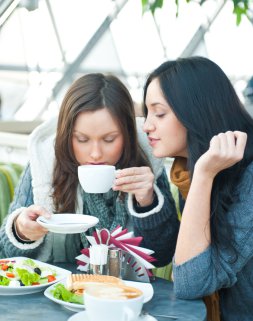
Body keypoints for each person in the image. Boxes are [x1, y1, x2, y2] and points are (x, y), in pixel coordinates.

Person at [118, 56, 253, 321]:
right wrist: (149, 199)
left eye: (159, 113)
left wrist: (204, 174)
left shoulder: (239, 178)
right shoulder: (186, 171)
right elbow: (169, 253)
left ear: (197, 111)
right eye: (147, 112)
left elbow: (191, 283)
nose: (147, 125)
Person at [0, 73, 179, 268]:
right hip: (54, 289)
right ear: (68, 136)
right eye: (82, 140)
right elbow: (6, 251)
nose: (95, 153)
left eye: (109, 139)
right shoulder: (45, 163)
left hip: (123, 293)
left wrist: (148, 203)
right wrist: (22, 231)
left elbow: (163, 256)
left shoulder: (146, 166)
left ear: (127, 135)